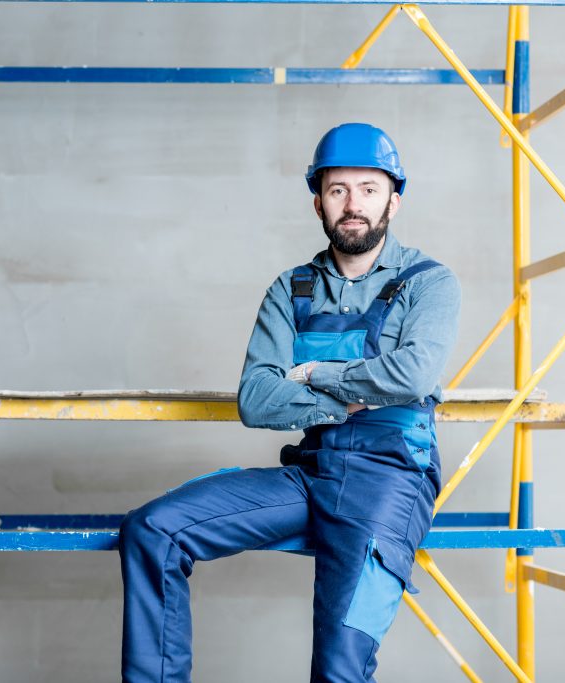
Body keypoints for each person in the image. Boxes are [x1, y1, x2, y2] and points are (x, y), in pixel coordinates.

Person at [119, 123, 462, 683]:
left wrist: (315, 374)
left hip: (389, 479)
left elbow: (412, 375)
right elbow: (255, 399)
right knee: (153, 531)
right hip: (311, 470)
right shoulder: (292, 288)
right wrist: (342, 402)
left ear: (393, 201)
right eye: (337, 190)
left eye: (369, 189)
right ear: (317, 203)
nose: (353, 204)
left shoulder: (429, 283)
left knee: (339, 670)